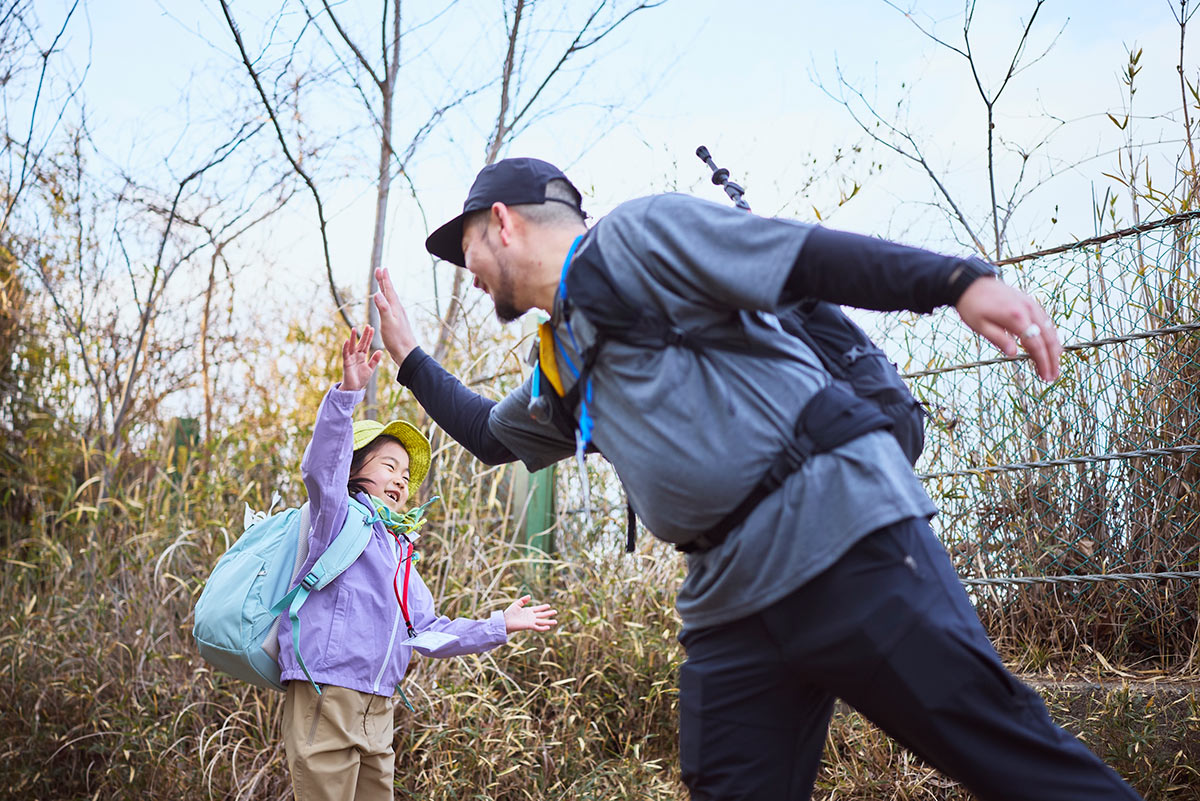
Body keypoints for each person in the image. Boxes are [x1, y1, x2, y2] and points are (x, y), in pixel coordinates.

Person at [369, 157, 1142, 800]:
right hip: (731, 604)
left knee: (1011, 758)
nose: (465, 272)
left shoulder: (638, 238)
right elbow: (486, 434)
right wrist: (408, 360)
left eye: (465, 246)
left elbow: (801, 255)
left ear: (503, 222)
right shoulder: (563, 360)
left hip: (842, 542)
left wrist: (957, 280)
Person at [277, 323, 558, 801]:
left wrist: (499, 624)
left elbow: (427, 631)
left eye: (406, 475)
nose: (401, 480)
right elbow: (321, 467)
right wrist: (348, 392)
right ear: (354, 468)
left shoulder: (399, 550)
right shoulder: (337, 519)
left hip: (379, 708)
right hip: (327, 694)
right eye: (388, 465)